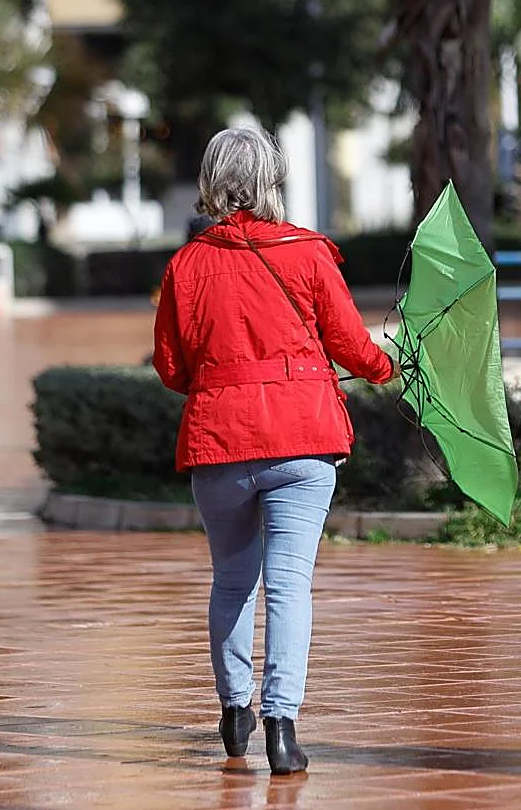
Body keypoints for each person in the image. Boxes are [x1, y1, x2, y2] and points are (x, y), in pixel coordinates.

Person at [152, 127, 398, 775]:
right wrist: (380, 368)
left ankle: (234, 712)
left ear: (211, 182)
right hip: (304, 438)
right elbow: (349, 343)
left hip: (218, 442)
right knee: (290, 586)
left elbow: (172, 368)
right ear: (273, 180)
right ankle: (281, 729)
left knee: (233, 580)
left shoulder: (185, 267)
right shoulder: (307, 254)